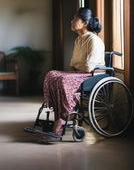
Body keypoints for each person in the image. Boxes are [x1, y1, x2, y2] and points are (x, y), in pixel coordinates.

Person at [43, 7, 105, 136]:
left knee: (63, 79)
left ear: (85, 23)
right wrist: (73, 70)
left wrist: (73, 71)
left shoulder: (93, 40)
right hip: (79, 73)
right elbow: (73, 65)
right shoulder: (79, 39)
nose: (71, 21)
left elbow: (88, 67)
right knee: (51, 75)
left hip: (91, 75)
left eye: (75, 19)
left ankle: (65, 117)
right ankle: (58, 115)